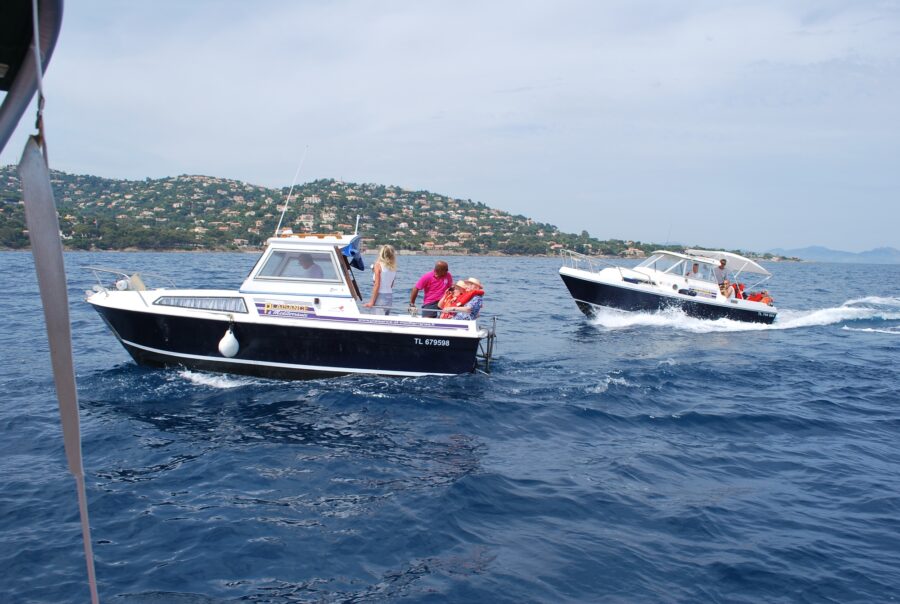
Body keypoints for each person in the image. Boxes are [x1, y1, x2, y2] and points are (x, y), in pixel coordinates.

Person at [363, 245, 397, 315]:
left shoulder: (378, 265)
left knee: (376, 322)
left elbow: (377, 285)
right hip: (389, 296)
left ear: (381, 253)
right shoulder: (393, 267)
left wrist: (371, 302)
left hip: (381, 297)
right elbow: (391, 285)